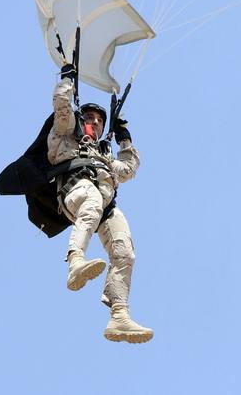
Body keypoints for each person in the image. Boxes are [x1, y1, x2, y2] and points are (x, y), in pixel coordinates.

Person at [48, 75, 153, 344]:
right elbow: (62, 105)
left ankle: (119, 315)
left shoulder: (103, 156)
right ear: (80, 120)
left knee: (124, 251)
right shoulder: (65, 136)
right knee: (93, 200)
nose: (94, 121)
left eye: (99, 119)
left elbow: (127, 169)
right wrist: (67, 78)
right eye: (89, 117)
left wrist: (124, 137)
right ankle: (75, 261)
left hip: (104, 207)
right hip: (76, 194)